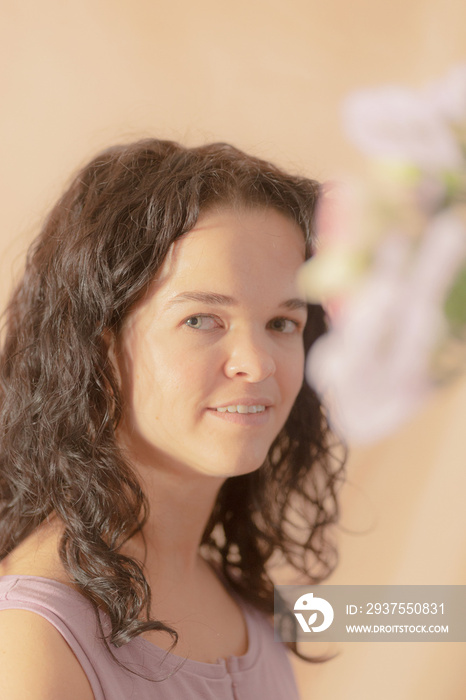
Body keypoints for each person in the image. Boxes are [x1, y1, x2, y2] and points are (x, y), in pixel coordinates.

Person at [0, 139, 343, 699]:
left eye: (283, 323)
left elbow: (422, 616)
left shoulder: (245, 602)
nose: (257, 364)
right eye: (203, 319)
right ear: (98, 345)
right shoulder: (31, 641)